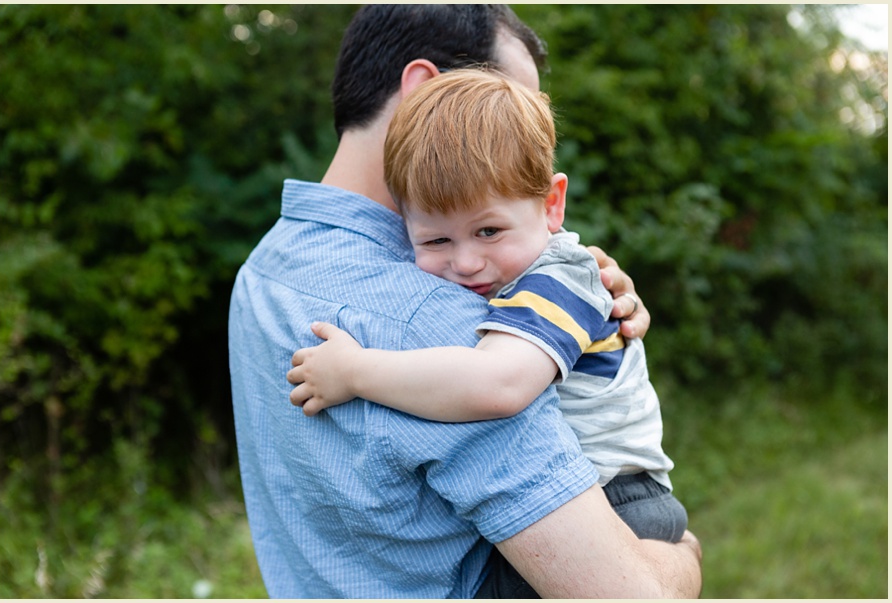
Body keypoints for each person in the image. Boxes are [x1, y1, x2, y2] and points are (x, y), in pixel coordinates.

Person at [229, 5, 701, 598]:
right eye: (502, 101)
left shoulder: (263, 271)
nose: (518, 140)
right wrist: (681, 558)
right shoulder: (439, 317)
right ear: (430, 92)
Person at [287, 68, 689, 545]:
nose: (465, 262)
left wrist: (355, 373)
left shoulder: (562, 278)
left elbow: (499, 384)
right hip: (598, 498)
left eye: (488, 231)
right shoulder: (512, 274)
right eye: (436, 239)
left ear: (551, 205)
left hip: (623, 504)